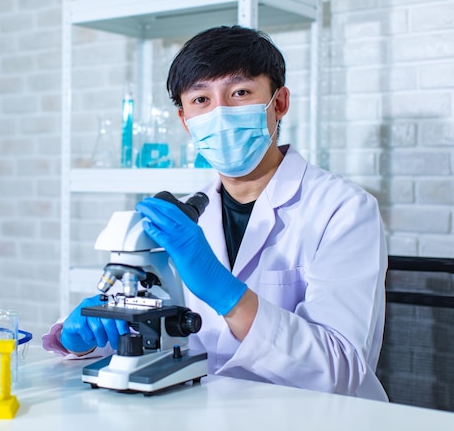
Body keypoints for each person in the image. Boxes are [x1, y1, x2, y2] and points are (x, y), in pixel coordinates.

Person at [42, 25, 388, 401]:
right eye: (201, 100)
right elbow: (148, 335)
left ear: (280, 103)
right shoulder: (182, 219)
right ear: (185, 120)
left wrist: (228, 295)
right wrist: (79, 336)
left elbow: (341, 370)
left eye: (240, 92)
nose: (220, 113)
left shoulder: (344, 210)